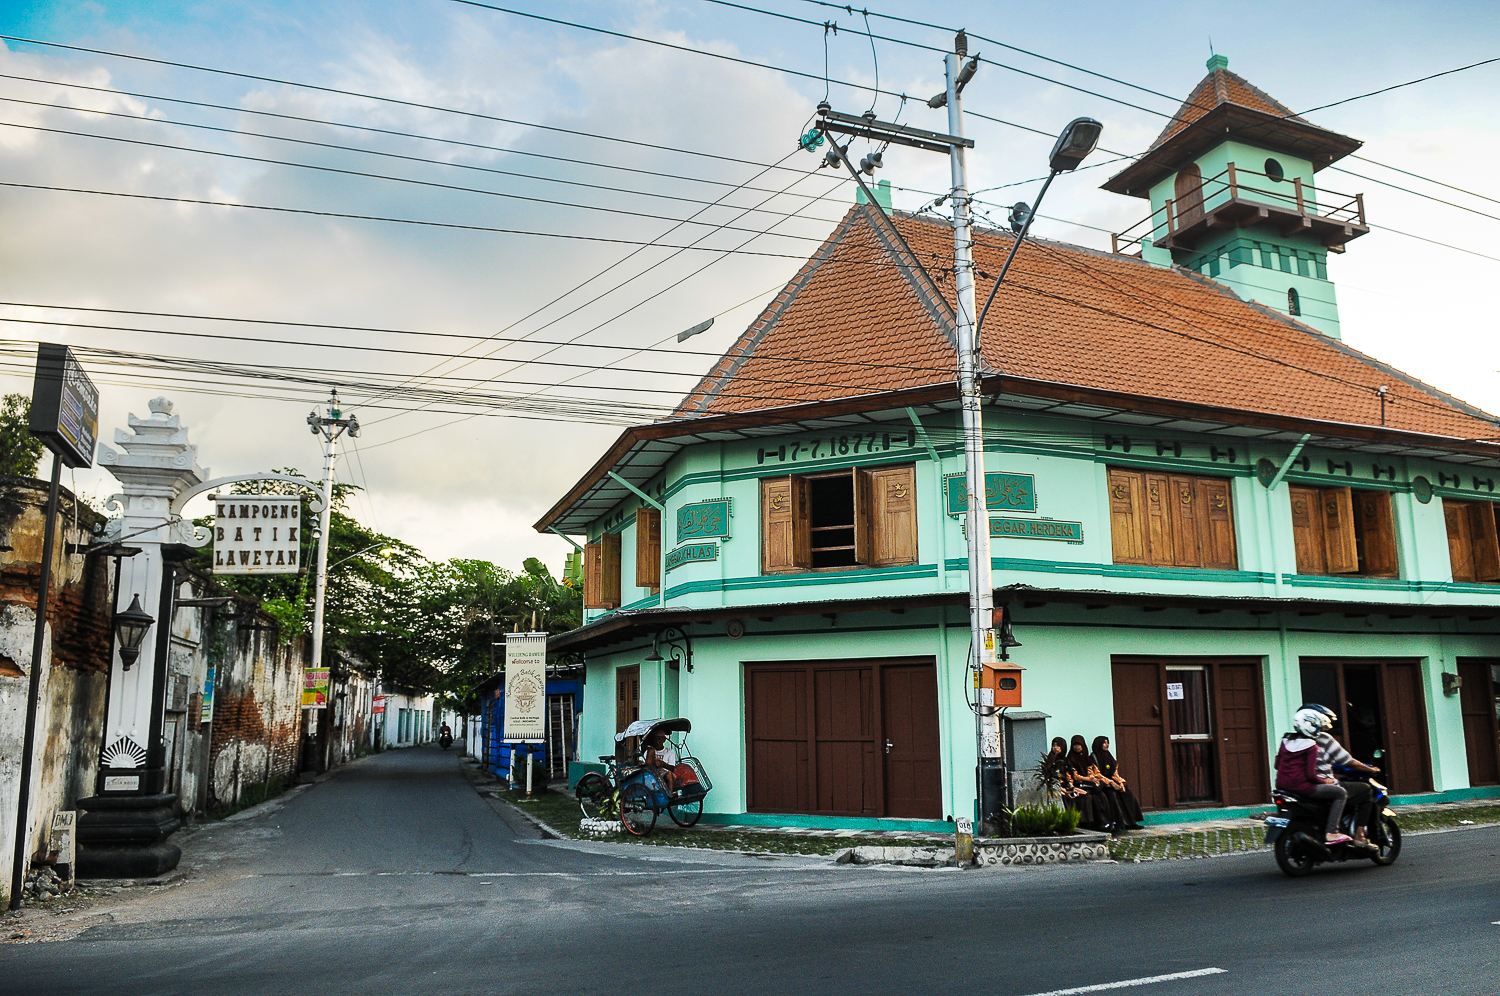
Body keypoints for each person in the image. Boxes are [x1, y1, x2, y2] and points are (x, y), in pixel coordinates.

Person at [1298, 704, 1381, 848]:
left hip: (1299, 786)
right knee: (1365, 790)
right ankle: (1359, 835)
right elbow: (1348, 762)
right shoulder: (1324, 739)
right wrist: (1370, 770)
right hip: (1321, 786)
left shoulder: (1291, 739)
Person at [1068, 734, 1122, 833]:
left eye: (1079, 745)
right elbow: (1075, 776)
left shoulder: (1087, 759)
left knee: (1102, 796)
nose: (1077, 747)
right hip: (1080, 785)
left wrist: (1108, 781)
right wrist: (1090, 779)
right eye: (1075, 745)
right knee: (1094, 796)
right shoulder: (1070, 759)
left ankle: (1107, 823)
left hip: (1090, 784)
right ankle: (1098, 823)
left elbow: (1096, 773)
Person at [1091, 735, 1145, 830]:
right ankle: (1119, 822)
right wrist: (1111, 783)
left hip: (1112, 783)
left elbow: (1114, 773)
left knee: (1127, 793)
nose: (1107, 745)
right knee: (1112, 796)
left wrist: (1120, 783)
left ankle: (1131, 822)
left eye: (1107, 742)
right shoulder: (1093, 757)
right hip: (1103, 784)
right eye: (1104, 743)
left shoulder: (1109, 756)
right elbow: (1097, 774)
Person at [1048, 736, 1095, 826]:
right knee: (1067, 798)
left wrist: (1072, 787)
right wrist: (1061, 789)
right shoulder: (1049, 760)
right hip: (1056, 788)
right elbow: (1049, 778)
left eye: (1058, 746)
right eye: (1054, 746)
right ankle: (1069, 822)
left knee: (1085, 796)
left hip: (1067, 787)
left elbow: (1069, 776)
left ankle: (1085, 822)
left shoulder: (1065, 761)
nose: (1056, 748)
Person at [643, 728, 678, 793]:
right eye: (655, 739)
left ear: (664, 740)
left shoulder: (669, 751)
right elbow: (644, 763)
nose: (657, 741)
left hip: (664, 772)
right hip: (652, 772)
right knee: (650, 750)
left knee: (669, 775)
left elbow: (672, 768)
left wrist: (663, 764)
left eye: (659, 739)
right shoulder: (649, 751)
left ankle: (670, 795)